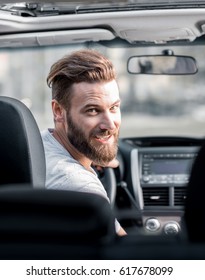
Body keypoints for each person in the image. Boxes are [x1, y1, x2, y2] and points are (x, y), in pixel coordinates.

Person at [42, 49, 127, 236]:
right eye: (93, 111)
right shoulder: (78, 185)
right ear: (58, 111)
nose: (110, 124)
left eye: (114, 107)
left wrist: (90, 160)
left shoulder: (37, 144)